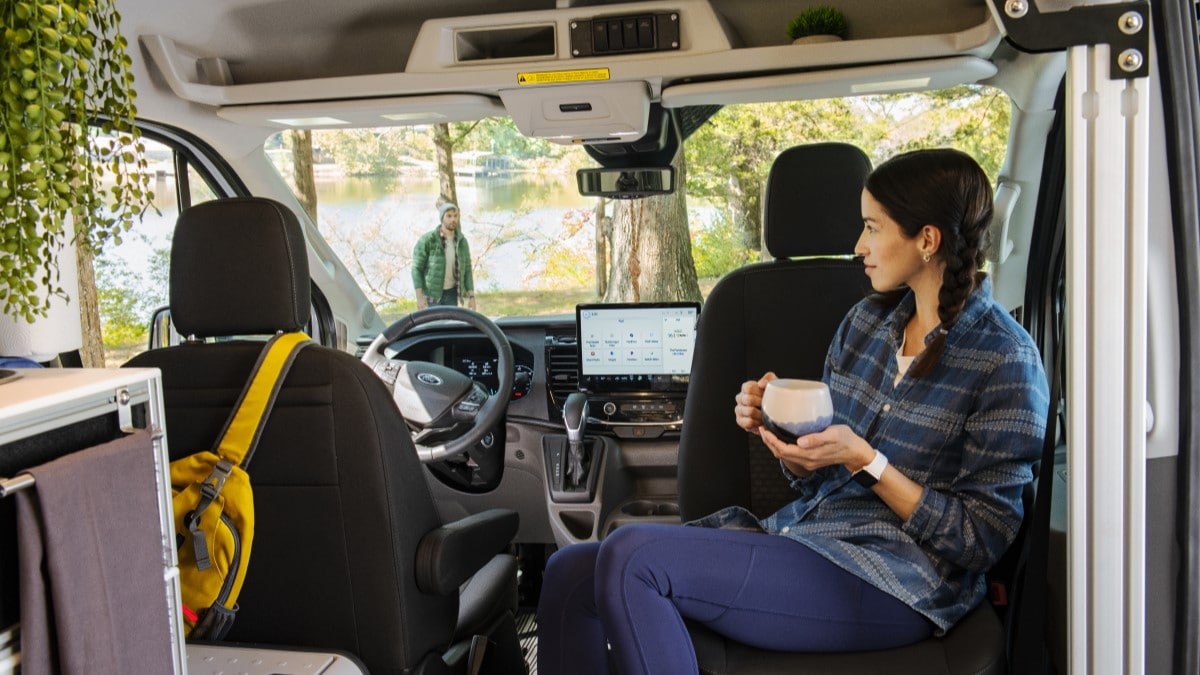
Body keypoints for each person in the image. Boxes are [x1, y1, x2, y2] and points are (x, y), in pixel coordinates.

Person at [536, 148, 1050, 675]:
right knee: (569, 571)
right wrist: (785, 438)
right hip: (810, 539)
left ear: (927, 239)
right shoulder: (865, 325)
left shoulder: (1004, 358)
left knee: (632, 556)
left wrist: (868, 462)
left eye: (872, 228)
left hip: (899, 581)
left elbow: (982, 539)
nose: (858, 247)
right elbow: (817, 478)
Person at [411, 201, 475, 310]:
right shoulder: (428, 240)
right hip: (431, 296)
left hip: (452, 295)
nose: (453, 219)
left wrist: (472, 297)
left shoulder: (462, 242)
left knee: (449, 326)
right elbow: (416, 269)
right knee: (433, 327)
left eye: (455, 216)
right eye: (449, 216)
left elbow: (468, 270)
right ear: (442, 218)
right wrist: (419, 297)